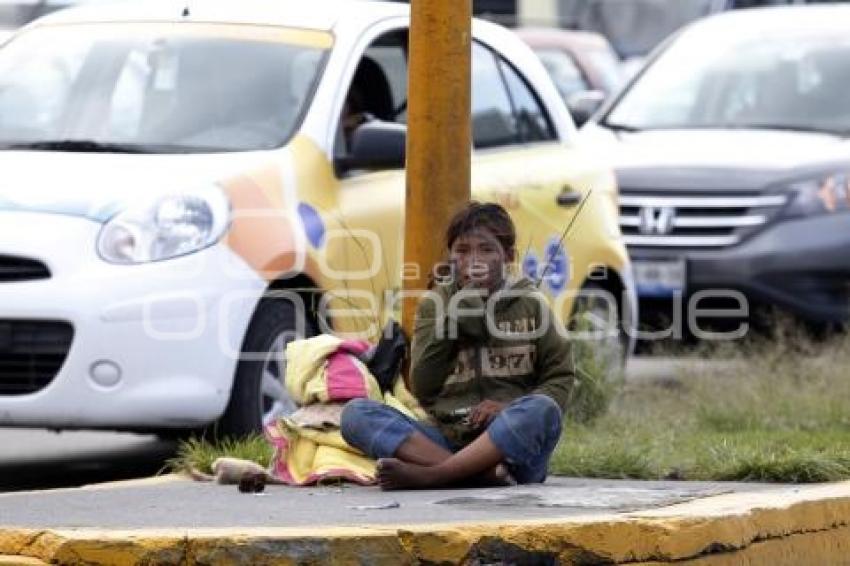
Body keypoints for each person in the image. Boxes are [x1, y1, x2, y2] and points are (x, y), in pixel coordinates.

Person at [340, 202, 576, 490]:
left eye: (487, 250)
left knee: (542, 409)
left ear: (508, 257)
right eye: (463, 251)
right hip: (450, 440)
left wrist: (506, 408)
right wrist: (452, 321)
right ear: (451, 257)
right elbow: (423, 387)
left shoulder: (532, 305)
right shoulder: (433, 306)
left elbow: (560, 377)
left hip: (513, 452)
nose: (473, 261)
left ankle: (437, 475)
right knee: (355, 415)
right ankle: (480, 476)